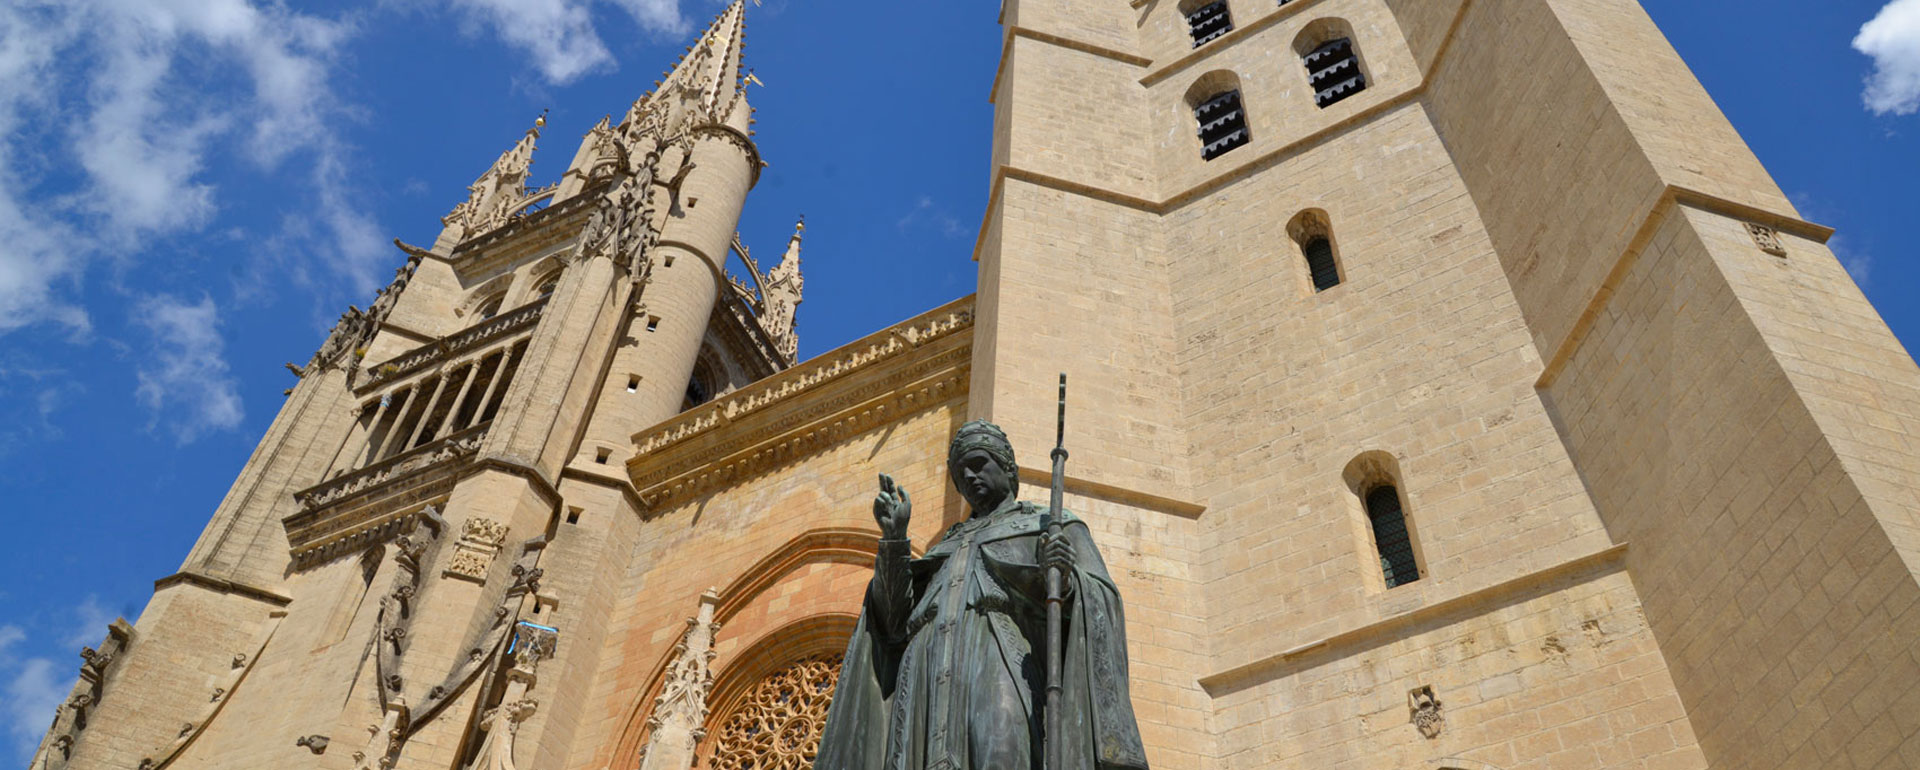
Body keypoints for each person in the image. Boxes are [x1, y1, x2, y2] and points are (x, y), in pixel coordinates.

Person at [814, 420, 1149, 770]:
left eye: (978, 464)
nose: (969, 477)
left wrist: (1066, 581)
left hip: (999, 655)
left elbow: (1101, 601)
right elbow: (893, 623)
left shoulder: (1048, 524)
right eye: (960, 473)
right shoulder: (946, 542)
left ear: (1007, 467)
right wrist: (895, 538)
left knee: (1002, 753)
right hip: (926, 667)